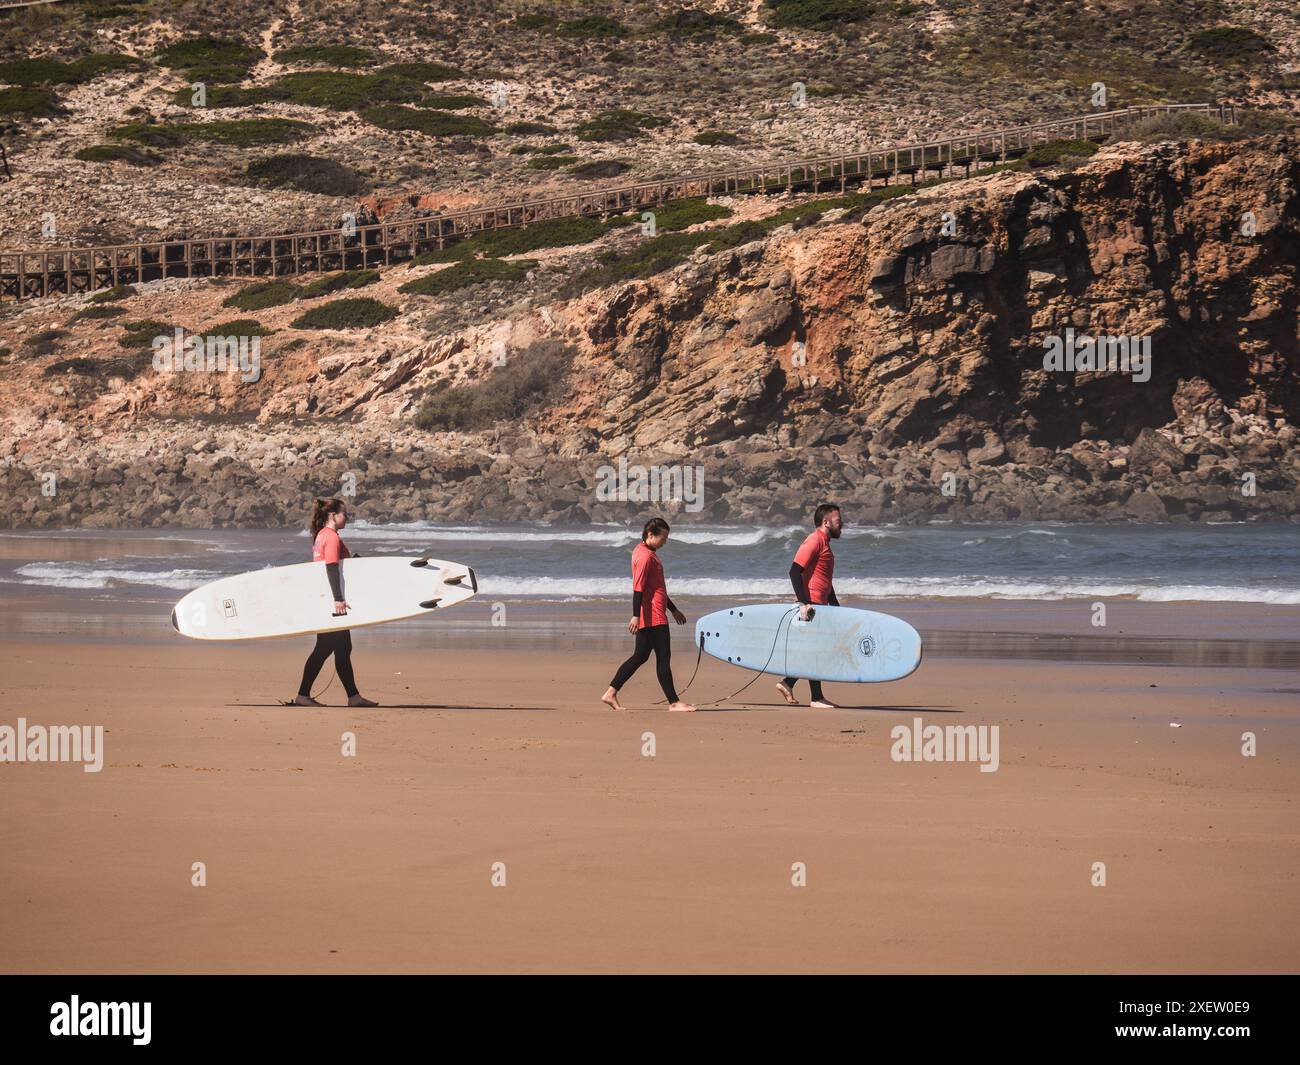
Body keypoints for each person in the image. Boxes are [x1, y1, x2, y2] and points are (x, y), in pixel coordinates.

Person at [601, 517, 696, 712]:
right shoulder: (645, 556)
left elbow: (656, 588)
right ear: (650, 535)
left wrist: (673, 609)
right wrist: (635, 615)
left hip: (653, 612)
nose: (665, 542)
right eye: (663, 538)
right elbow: (638, 588)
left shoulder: (642, 551)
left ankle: (610, 693)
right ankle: (674, 702)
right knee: (663, 657)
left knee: (640, 657)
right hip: (652, 615)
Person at [294, 498, 378, 708]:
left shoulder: (320, 535)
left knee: (342, 648)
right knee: (324, 649)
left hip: (326, 601)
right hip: (333, 603)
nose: (346, 518)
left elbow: (333, 566)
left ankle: (353, 697)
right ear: (333, 515)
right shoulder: (330, 537)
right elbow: (331, 568)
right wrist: (338, 599)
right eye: (344, 514)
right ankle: (303, 695)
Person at [776, 503, 843, 709]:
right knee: (816, 651)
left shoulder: (825, 543)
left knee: (814, 651)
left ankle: (789, 684)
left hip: (820, 604)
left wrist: (836, 607)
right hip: (812, 606)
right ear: (826, 522)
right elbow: (794, 571)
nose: (842, 525)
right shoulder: (814, 540)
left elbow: (824, 580)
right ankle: (814, 697)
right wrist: (804, 603)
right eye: (838, 521)